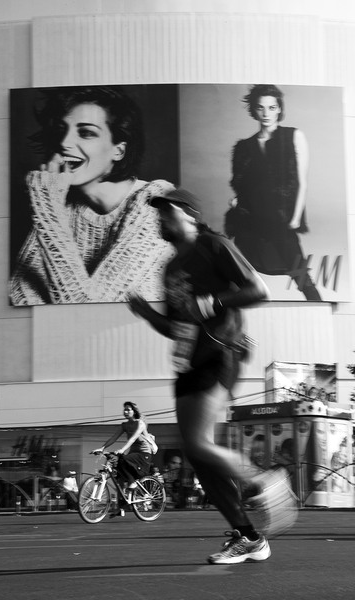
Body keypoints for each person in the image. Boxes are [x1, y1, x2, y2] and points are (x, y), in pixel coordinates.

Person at [129, 187, 277, 565]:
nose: (160, 219)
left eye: (167, 211)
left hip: (221, 351)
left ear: (190, 215)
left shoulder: (213, 245)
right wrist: (147, 313)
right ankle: (248, 537)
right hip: (188, 362)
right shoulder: (169, 270)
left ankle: (262, 480)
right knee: (198, 455)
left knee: (197, 444)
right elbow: (176, 327)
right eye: (158, 213)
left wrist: (213, 301)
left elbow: (258, 289)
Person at [9, 85, 175, 305]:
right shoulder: (59, 205)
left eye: (86, 132)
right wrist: (49, 206)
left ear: (119, 150)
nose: (64, 143)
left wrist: (47, 208)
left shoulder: (156, 201)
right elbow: (19, 297)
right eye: (61, 130)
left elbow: (89, 309)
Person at [226, 84, 321, 301]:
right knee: (238, 273)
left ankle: (320, 308)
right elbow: (248, 186)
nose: (266, 113)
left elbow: (301, 182)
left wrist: (295, 218)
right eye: (260, 108)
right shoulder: (245, 147)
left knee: (301, 275)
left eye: (271, 107)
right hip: (251, 220)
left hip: (281, 220)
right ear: (254, 110)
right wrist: (238, 201)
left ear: (279, 109)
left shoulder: (293, 136)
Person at [93, 401, 154, 516]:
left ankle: (132, 483)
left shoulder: (140, 423)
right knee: (119, 478)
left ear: (134, 411)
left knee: (123, 459)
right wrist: (102, 448)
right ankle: (121, 508)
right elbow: (114, 438)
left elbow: (132, 439)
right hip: (133, 454)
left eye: (128, 410)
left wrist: (122, 449)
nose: (125, 412)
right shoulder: (124, 425)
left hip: (144, 454)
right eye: (124, 409)